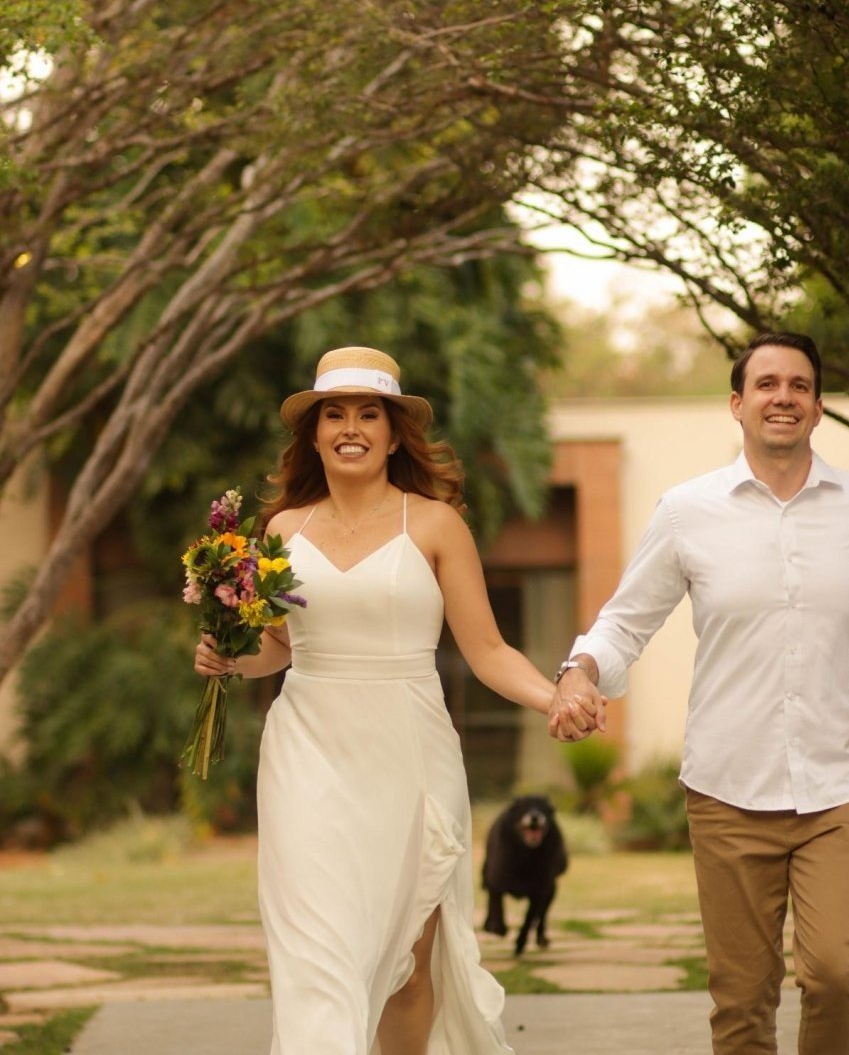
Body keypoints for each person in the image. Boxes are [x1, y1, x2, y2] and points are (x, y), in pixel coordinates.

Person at [195, 345, 598, 1055]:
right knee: (317, 951)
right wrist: (228, 657)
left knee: (408, 960)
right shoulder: (284, 530)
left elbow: (487, 650)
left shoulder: (435, 525)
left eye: (368, 414)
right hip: (307, 753)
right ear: (314, 435)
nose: (350, 428)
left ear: (392, 434)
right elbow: (279, 647)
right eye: (334, 414)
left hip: (408, 751)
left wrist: (554, 698)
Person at [548, 331, 849, 1055]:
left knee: (838, 974)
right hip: (727, 789)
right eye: (767, 384)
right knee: (741, 1001)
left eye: (799, 385)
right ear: (737, 404)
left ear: (817, 407)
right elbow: (625, 620)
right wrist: (578, 670)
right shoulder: (687, 510)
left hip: (838, 786)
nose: (783, 397)